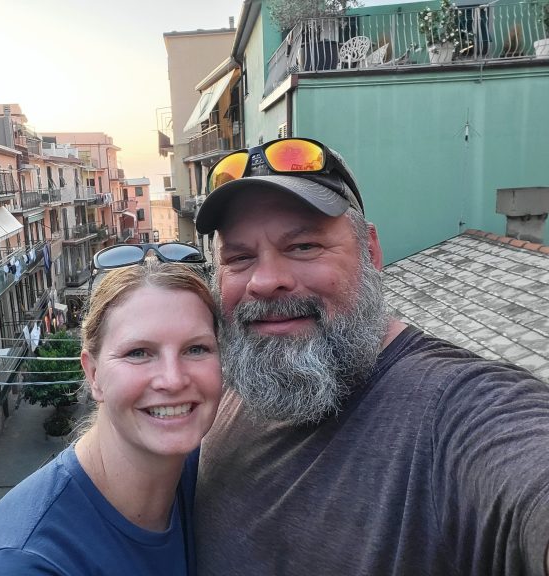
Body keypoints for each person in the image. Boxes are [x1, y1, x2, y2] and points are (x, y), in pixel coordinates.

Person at [192, 137, 549, 575]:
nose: (266, 281)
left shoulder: (458, 410)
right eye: (240, 257)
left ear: (372, 253)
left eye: (304, 246)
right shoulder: (238, 375)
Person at [0, 257, 221, 575]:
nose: (173, 379)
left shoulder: (202, 474)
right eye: (138, 353)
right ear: (93, 374)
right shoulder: (22, 563)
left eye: (196, 349)